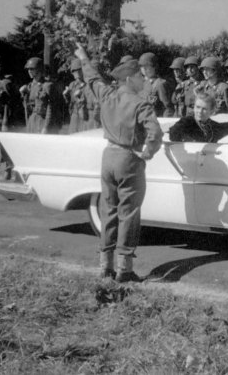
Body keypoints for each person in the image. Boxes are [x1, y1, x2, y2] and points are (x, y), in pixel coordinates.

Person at [75, 43, 163, 283]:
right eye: (140, 77)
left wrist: (83, 56)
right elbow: (155, 133)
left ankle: (105, 265)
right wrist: (149, 152)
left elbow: (92, 78)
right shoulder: (139, 103)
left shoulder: (107, 95)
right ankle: (124, 269)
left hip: (108, 158)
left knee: (108, 210)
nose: (144, 81)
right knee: (129, 214)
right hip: (128, 159)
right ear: (131, 79)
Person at [20, 57, 64, 134]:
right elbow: (27, 106)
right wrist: (23, 94)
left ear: (39, 69)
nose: (29, 71)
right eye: (28, 69)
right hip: (32, 120)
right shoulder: (30, 86)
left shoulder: (48, 86)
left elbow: (51, 108)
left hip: (43, 121)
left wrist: (46, 127)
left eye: (32, 69)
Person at [63, 58, 96, 133]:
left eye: (79, 70)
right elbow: (69, 103)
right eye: (74, 71)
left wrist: (79, 97)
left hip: (85, 116)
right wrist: (66, 95)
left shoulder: (89, 84)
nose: (77, 73)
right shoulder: (72, 85)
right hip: (74, 116)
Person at [138, 52, 173, 117]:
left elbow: (168, 109)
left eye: (147, 66)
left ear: (155, 67)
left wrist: (164, 124)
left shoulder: (160, 84)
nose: (144, 69)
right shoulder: (142, 84)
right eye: (142, 67)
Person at [0, 54, 18, 133]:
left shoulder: (6, 82)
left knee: (0, 143)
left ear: (0, 68)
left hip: (0, 117)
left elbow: (9, 103)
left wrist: (5, 122)